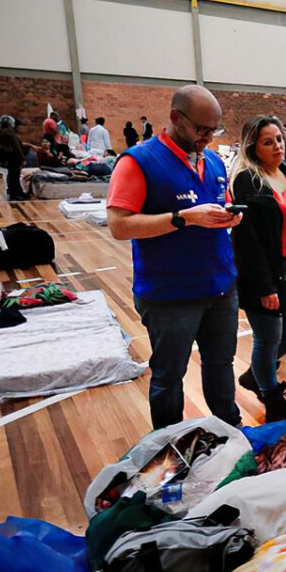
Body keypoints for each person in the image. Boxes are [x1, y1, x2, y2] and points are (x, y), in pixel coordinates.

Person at [106, 85, 243, 429]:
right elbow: (119, 226)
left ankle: (231, 430)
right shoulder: (138, 161)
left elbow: (220, 203)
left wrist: (230, 216)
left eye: (214, 130)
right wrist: (183, 218)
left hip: (220, 286)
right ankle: (169, 442)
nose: (208, 138)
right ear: (175, 118)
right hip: (169, 294)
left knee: (221, 365)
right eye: (201, 129)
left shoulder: (213, 161)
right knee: (168, 375)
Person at [227, 116, 286, 426]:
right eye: (268, 142)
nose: (277, 146)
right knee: (268, 338)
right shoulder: (247, 180)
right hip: (260, 271)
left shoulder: (284, 173)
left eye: (279, 139)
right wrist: (264, 287)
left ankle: (256, 375)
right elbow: (247, 241)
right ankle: (273, 401)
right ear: (253, 147)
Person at [0, 115, 29, 201]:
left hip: (6, 157)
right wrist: (22, 158)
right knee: (14, 176)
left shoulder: (0, 132)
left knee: (11, 175)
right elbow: (17, 146)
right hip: (14, 157)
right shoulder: (10, 133)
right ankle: (16, 193)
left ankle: (13, 192)